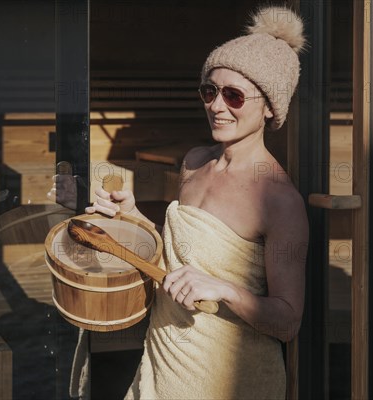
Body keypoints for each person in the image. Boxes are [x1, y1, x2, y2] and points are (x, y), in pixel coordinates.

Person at [82, 6, 309, 399]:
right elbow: (180, 259)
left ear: (270, 107)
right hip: (164, 360)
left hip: (231, 378)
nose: (217, 106)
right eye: (210, 90)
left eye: (234, 95)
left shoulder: (279, 199)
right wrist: (130, 216)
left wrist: (226, 290)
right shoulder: (194, 163)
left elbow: (288, 322)